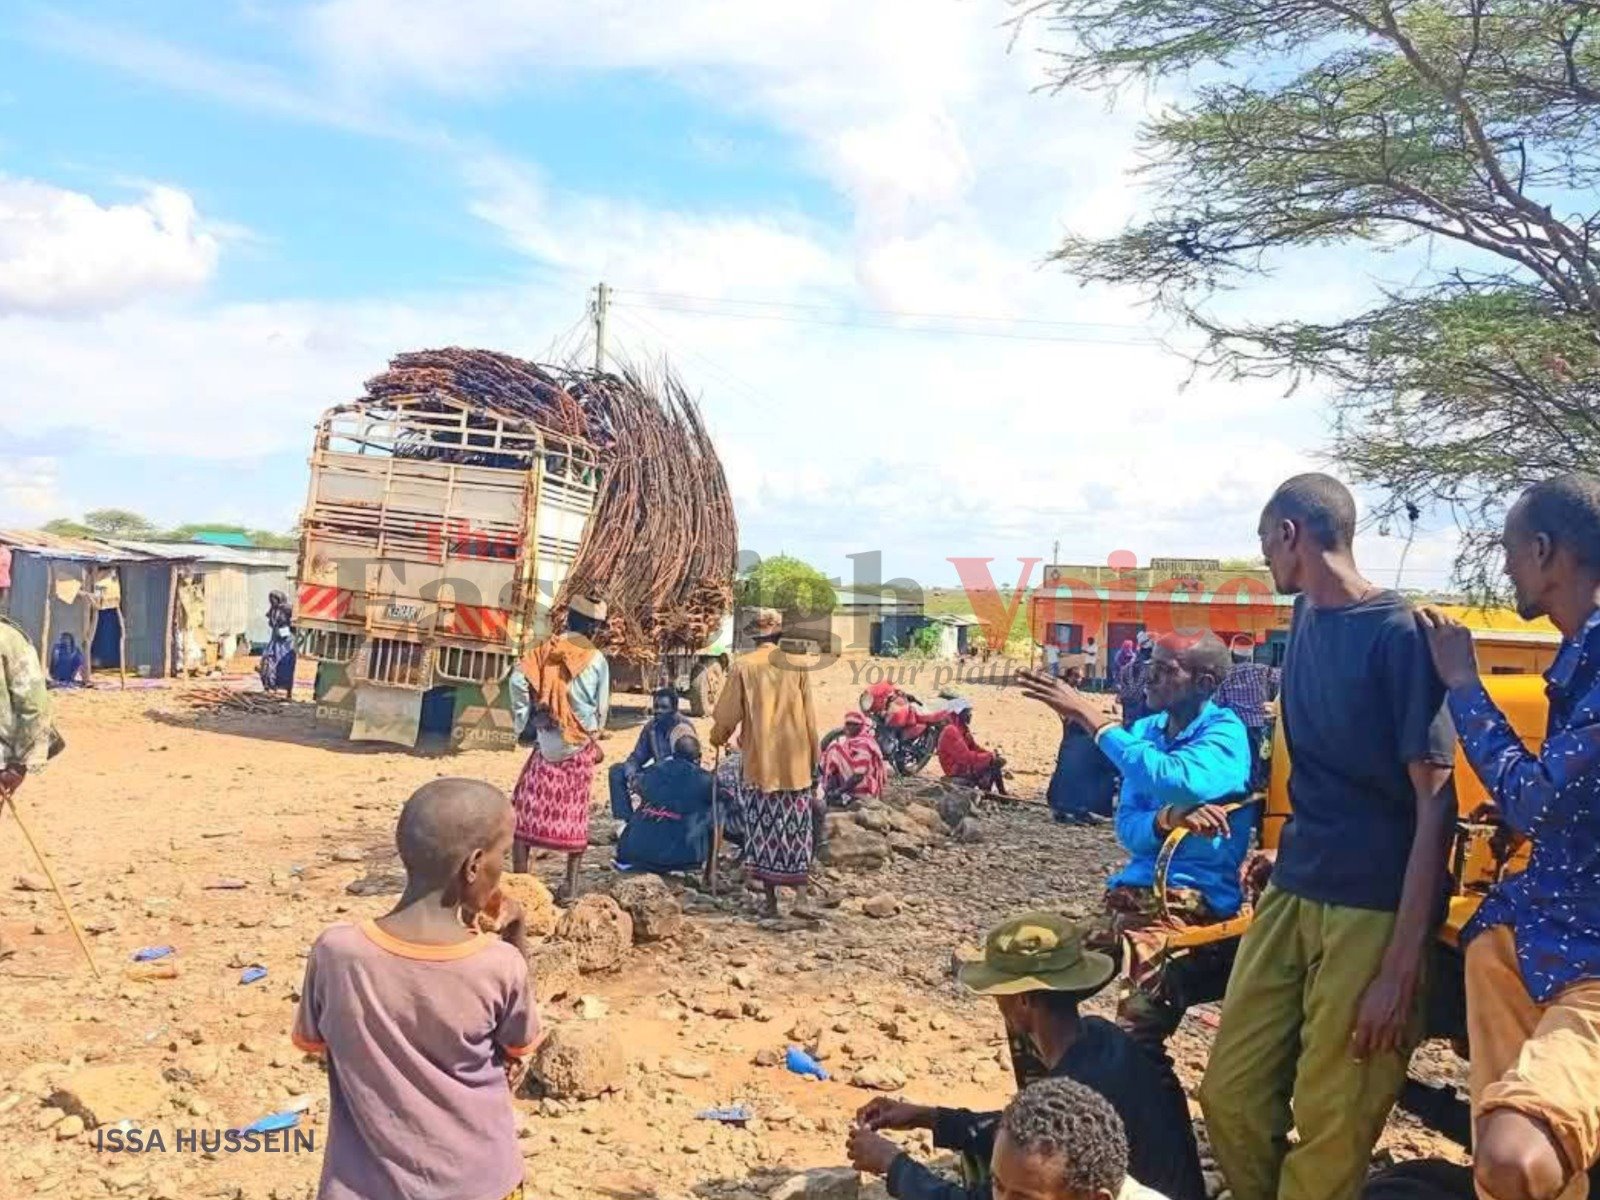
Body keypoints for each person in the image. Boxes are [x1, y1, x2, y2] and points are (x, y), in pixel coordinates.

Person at [1199, 473, 1457, 1200]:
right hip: (1294, 886)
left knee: (1330, 1122)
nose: (1264, 562)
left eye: (1264, 544)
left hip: (1370, 909)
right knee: (1231, 1093)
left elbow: (1435, 804)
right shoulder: (1306, 618)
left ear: (1291, 535)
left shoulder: (1398, 634)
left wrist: (1400, 968)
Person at [1417, 473, 1600, 1200]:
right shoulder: (1576, 663)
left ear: (1548, 552)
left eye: (1511, 550)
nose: (1505, 568)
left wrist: (1464, 684)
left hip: (1585, 957)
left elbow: (1537, 796)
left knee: (1515, 1156)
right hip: (1534, 939)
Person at [291, 778, 539, 1200]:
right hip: (479, 1184)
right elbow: (518, 1050)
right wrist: (515, 934)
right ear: (474, 865)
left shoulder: (336, 952)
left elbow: (315, 1044)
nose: (506, 870)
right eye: (504, 853)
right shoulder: (499, 964)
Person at [843, 911, 1205, 1200]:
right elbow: (1023, 1132)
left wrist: (894, 1165)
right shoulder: (1098, 1036)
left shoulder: (1081, 1085)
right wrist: (928, 1117)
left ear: (1023, 1000)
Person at [1020, 632, 1253, 1055]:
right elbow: (1128, 827)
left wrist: (1094, 719)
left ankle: (1144, 1109)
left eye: (1164, 671)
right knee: (1030, 988)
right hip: (1133, 894)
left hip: (1190, 899)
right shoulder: (1146, 731)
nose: (1149, 678)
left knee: (1137, 1028)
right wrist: (1167, 818)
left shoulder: (1226, 734)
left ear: (1203, 683)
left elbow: (1176, 779)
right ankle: (1044, 1103)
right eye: (1149, 666)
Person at [709, 608, 820, 919]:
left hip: (762, 767)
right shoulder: (797, 664)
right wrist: (815, 759)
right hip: (796, 766)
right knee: (797, 830)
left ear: (754, 636)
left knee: (763, 831)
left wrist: (717, 737)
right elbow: (810, 717)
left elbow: (727, 716)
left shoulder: (743, 667)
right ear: (779, 635)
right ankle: (799, 898)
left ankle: (771, 903)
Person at [508, 595, 611, 899]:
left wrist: (525, 720)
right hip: (578, 745)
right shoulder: (596, 660)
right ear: (593, 628)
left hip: (547, 740)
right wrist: (593, 727)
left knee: (524, 811)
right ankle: (571, 886)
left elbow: (516, 681)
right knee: (576, 815)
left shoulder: (543, 650)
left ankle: (520, 881)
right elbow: (601, 708)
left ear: (569, 620)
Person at [614, 733, 716, 874]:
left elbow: (637, 786)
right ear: (698, 758)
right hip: (681, 860)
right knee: (714, 814)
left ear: (673, 754)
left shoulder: (655, 770)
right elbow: (719, 818)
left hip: (633, 854)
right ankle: (709, 871)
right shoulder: (707, 780)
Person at [608, 687, 695, 826]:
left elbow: (687, 765)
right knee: (617, 771)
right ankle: (626, 823)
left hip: (678, 779)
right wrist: (631, 772)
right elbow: (637, 756)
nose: (658, 711)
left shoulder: (684, 728)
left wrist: (650, 776)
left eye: (664, 707)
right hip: (656, 774)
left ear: (674, 709)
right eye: (656, 707)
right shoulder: (652, 727)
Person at [1214, 636, 1278, 791]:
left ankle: (1242, 786)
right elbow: (1283, 679)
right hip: (1262, 724)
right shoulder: (1263, 670)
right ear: (1251, 654)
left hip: (1237, 725)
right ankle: (1260, 785)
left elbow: (1218, 702)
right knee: (1263, 756)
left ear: (1232, 655)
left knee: (1241, 756)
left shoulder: (1225, 675)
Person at [938, 700, 1008, 795]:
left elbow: (974, 747)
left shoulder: (962, 728)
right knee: (993, 763)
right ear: (959, 713)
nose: (970, 715)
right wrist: (989, 757)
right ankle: (997, 793)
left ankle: (993, 791)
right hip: (955, 769)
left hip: (961, 766)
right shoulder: (951, 730)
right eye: (967, 712)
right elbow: (965, 757)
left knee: (995, 762)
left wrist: (991, 755)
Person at [821, 710, 888, 805]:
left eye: (853, 724)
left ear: (860, 727)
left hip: (865, 788)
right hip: (855, 783)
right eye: (847, 724)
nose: (848, 727)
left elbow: (858, 776)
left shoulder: (864, 745)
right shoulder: (853, 741)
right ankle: (831, 793)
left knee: (835, 751)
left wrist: (839, 791)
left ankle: (838, 794)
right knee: (835, 754)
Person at [258, 590, 296, 699]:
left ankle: (285, 690)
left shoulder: (288, 609)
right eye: (270, 599)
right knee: (268, 663)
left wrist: (286, 630)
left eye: (274, 599)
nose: (272, 601)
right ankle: (270, 686)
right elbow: (271, 622)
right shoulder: (273, 610)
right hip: (275, 641)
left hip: (286, 644)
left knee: (285, 666)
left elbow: (294, 624)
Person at [1116, 636, 1154, 729]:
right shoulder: (1154, 670)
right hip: (1143, 713)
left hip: (1128, 710)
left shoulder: (1126, 668)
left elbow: (1122, 686)